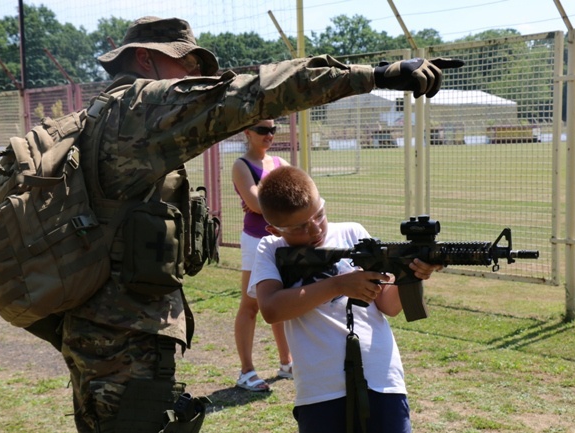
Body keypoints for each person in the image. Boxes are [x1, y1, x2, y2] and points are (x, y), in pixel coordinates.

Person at [59, 15, 461, 432]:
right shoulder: (142, 107)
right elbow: (260, 92)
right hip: (123, 332)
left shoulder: (93, 118)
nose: (194, 77)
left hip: (93, 320)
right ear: (145, 60)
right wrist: (378, 74)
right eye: (185, 64)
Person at [248, 165, 442, 433]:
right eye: (300, 227)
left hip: (381, 377)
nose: (315, 229)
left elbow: (388, 305)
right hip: (320, 389)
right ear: (274, 229)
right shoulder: (270, 249)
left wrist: (414, 272)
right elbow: (271, 309)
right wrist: (338, 285)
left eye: (319, 215)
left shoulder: (353, 233)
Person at [232, 119, 291, 392]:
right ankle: (246, 371)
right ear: (247, 132)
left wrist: (267, 200)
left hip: (282, 239)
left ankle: (287, 362)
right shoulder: (241, 165)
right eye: (262, 130)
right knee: (251, 304)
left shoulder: (280, 162)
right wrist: (280, 199)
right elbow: (256, 206)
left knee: (281, 302)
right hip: (256, 241)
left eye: (273, 130)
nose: (269, 135)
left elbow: (301, 196)